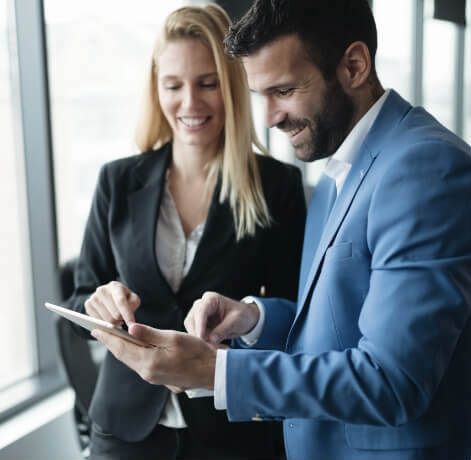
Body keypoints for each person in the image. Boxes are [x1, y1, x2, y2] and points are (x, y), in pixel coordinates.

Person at [91, 1, 471, 459]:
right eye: (261, 96)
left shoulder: (424, 168)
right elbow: (334, 331)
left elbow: (392, 380)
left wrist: (215, 371)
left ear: (354, 66)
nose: (269, 117)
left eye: (284, 91)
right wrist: (254, 318)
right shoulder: (340, 172)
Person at [67, 4, 306, 460]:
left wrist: (245, 319)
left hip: (232, 433)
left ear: (232, 86)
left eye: (208, 83)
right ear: (156, 88)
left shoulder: (277, 187)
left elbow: (294, 319)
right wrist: (99, 306)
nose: (190, 103)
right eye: (173, 85)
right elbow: (82, 300)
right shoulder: (117, 181)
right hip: (125, 431)